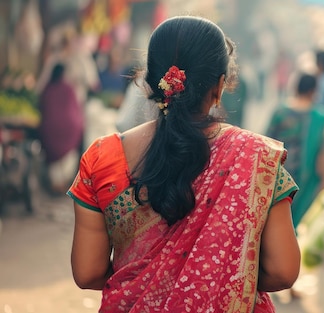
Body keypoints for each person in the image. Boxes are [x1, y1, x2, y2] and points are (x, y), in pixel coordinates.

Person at [67, 17, 301, 313]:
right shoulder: (256, 158)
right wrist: (222, 278)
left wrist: (149, 279)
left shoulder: (102, 157)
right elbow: (282, 271)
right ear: (219, 86)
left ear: (150, 81)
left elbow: (88, 272)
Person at [265, 73, 324, 228]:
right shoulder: (320, 116)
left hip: (281, 170)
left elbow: (266, 140)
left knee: (278, 213)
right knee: (300, 219)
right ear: (313, 90)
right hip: (306, 174)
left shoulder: (281, 112)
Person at [38, 63, 84, 194]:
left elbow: (42, 108)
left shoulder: (47, 89)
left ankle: (55, 183)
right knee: (67, 157)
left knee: (54, 158)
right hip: (69, 128)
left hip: (50, 128)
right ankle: (62, 183)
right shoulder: (69, 89)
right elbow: (76, 109)